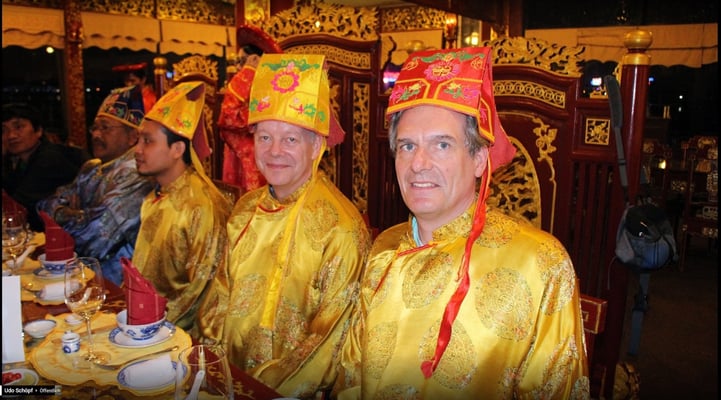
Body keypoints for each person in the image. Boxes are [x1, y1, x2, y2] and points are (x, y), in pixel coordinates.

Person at [334, 47, 589, 399]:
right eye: (407, 146)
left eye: (441, 145)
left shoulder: (540, 263)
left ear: (480, 159)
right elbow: (350, 377)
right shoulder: (384, 249)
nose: (418, 163)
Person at [196, 53, 371, 398]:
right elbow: (217, 302)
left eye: (290, 139)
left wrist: (257, 390)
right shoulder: (245, 209)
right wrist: (215, 374)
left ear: (316, 146)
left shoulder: (340, 229)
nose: (274, 151)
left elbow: (329, 344)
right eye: (264, 138)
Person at [133, 81, 232, 332]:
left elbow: (203, 290)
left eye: (147, 141)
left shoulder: (201, 206)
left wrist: (153, 326)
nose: (137, 150)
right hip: (144, 321)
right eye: (138, 140)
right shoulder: (156, 196)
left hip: (180, 334)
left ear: (177, 149)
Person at [37, 85, 154, 286]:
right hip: (79, 274)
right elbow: (43, 207)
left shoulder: (137, 175)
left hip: (116, 284)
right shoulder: (91, 168)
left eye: (105, 128)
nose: (96, 135)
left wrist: (68, 213)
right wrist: (78, 215)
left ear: (132, 137)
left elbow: (94, 239)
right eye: (95, 128)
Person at [2, 103, 89, 231]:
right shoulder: (20, 161)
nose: (11, 136)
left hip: (73, 234)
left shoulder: (49, 159)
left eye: (18, 127)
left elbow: (16, 209)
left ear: (38, 131)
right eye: (4, 130)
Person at [217, 24, 283, 192]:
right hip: (247, 155)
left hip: (258, 155)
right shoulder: (250, 84)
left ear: (255, 60)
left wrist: (248, 71)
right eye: (238, 62)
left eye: (242, 62)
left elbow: (229, 115)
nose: (239, 67)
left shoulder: (271, 85)